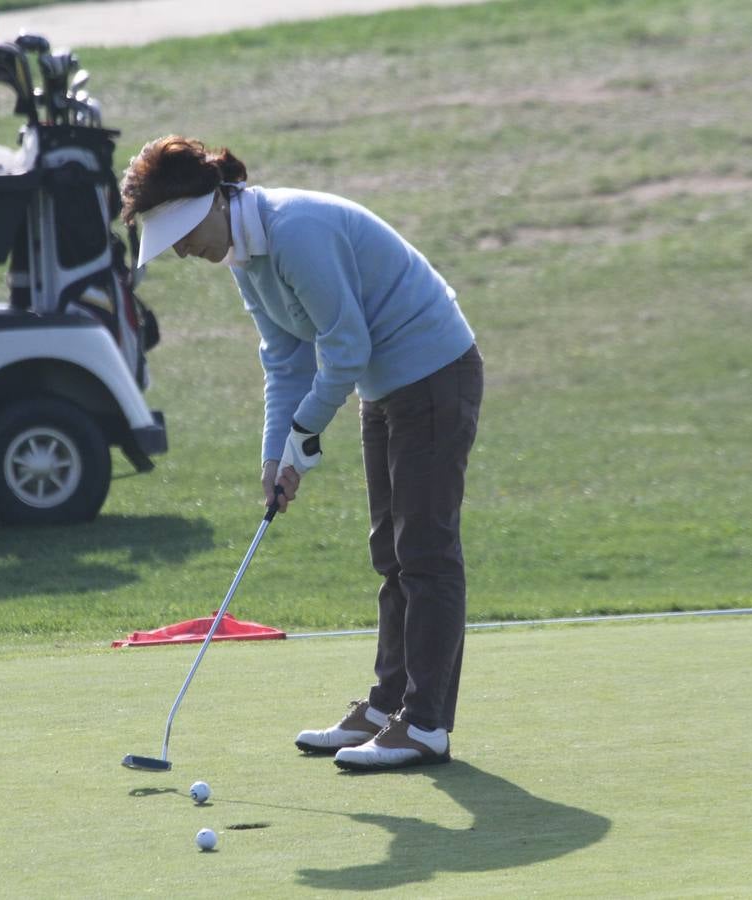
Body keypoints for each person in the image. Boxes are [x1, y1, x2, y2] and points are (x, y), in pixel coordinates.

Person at [121, 136, 482, 771]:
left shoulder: (296, 232)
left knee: (424, 550)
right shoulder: (247, 256)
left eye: (179, 232)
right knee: (391, 552)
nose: (180, 250)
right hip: (387, 386)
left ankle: (425, 726)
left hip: (433, 372)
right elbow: (285, 358)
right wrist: (276, 454)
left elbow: (345, 348)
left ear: (213, 202)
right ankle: (388, 705)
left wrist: (305, 434)